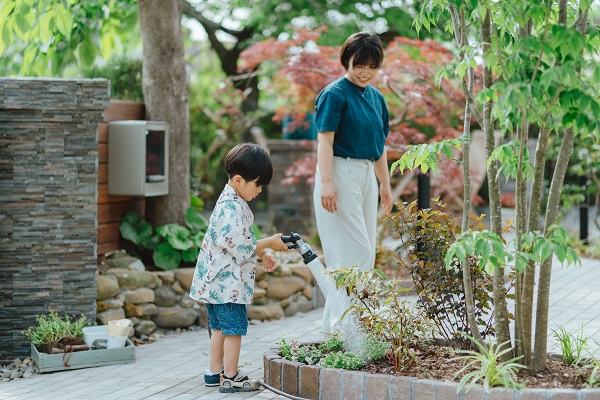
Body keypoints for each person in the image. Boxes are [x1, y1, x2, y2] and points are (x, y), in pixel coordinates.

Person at [189, 142, 289, 393]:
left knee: (219, 328)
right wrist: (270, 243)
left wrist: (263, 250)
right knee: (233, 329)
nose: (259, 191)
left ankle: (215, 372)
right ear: (238, 180)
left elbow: (240, 240)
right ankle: (231, 376)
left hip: (217, 283)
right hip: (228, 285)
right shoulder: (231, 206)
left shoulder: (230, 200)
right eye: (257, 185)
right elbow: (240, 243)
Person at [313, 32, 393, 336]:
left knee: (364, 254)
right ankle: (348, 327)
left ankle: (335, 329)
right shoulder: (334, 93)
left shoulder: (377, 98)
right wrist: (327, 182)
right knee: (355, 253)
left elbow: (380, 145)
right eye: (359, 64)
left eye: (372, 67)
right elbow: (325, 140)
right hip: (339, 170)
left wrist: (384, 184)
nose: (365, 72)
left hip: (366, 174)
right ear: (347, 61)